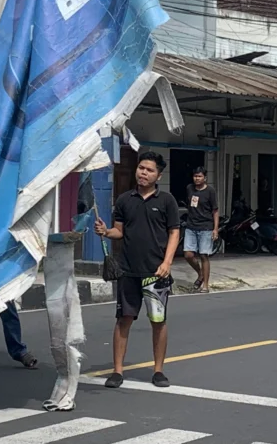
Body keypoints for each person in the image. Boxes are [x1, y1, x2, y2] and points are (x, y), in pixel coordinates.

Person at [95, 151, 180, 389]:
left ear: (158, 175)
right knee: (123, 319)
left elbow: (175, 232)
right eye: (141, 168)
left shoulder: (166, 201)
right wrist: (106, 231)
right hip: (127, 271)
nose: (143, 172)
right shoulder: (124, 200)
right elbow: (118, 231)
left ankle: (158, 371)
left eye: (149, 170)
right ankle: (117, 371)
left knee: (158, 321)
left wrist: (167, 262)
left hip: (156, 274)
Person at [182, 167, 218, 292]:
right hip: (191, 226)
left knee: (203, 255)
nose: (197, 179)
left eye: (199, 176)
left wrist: (215, 229)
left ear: (205, 178)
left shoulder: (210, 191)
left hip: (206, 227)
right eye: (195, 176)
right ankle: (200, 273)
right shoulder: (189, 188)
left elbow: (215, 210)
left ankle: (205, 285)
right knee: (188, 254)